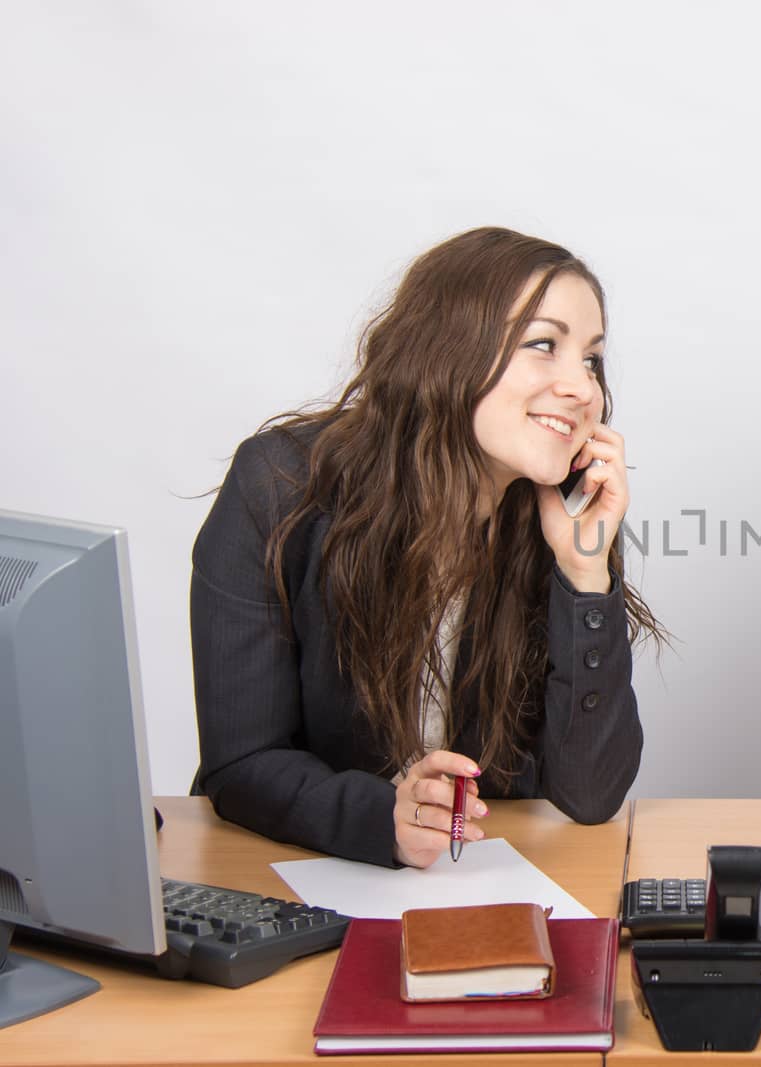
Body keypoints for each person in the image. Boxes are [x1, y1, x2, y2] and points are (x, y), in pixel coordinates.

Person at [190, 227, 661, 868]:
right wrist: (377, 817)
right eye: (543, 345)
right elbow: (242, 760)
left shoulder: (569, 518)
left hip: (477, 886)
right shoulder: (279, 488)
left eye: (591, 360)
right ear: (447, 350)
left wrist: (586, 576)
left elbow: (591, 794)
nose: (583, 388)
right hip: (302, 873)